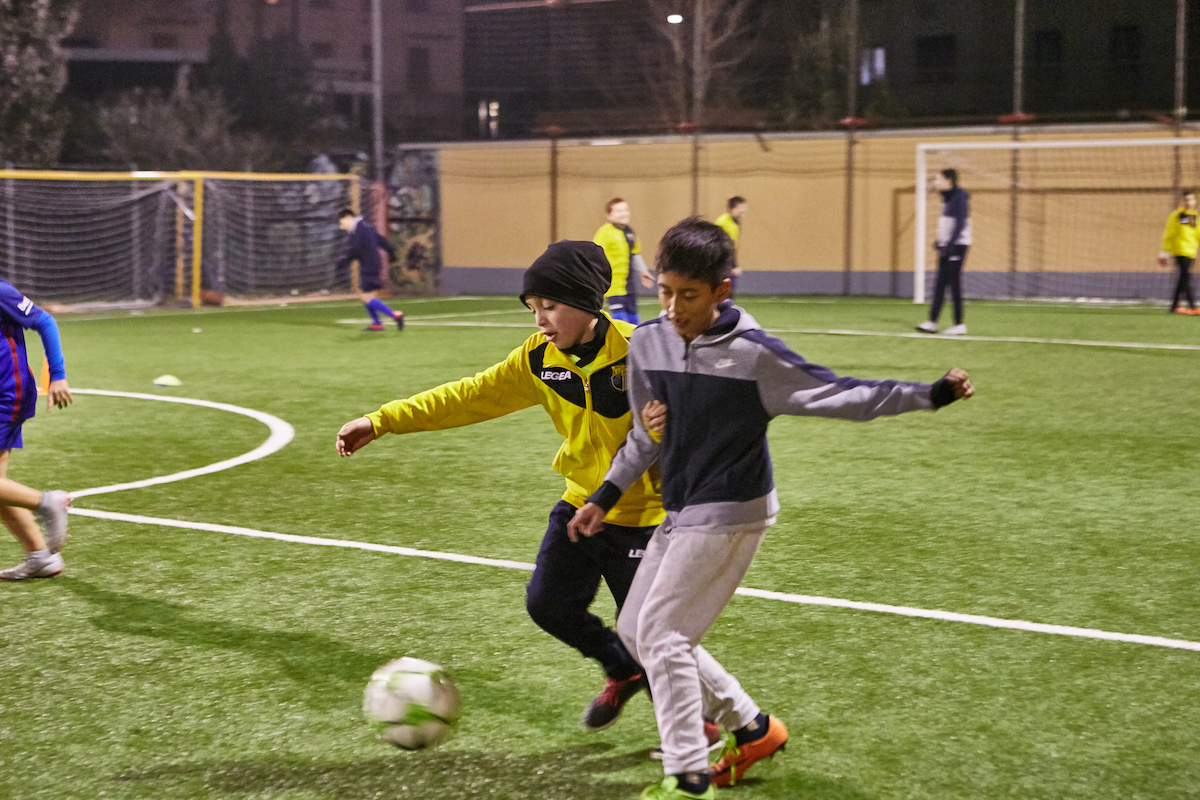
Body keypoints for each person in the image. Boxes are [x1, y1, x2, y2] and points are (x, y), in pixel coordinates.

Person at [569, 218, 974, 800]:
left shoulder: (755, 356)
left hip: (734, 509)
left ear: (721, 291)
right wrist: (603, 498)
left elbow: (841, 393)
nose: (674, 306)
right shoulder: (648, 343)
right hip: (680, 508)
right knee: (636, 631)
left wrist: (929, 394)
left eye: (689, 294)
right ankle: (753, 728)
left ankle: (687, 779)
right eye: (665, 290)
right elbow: (644, 433)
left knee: (662, 634)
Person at [335, 240, 662, 732]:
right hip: (580, 505)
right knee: (547, 604)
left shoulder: (641, 351)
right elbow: (471, 396)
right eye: (533, 308)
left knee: (654, 637)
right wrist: (382, 421)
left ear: (588, 303)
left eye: (550, 307)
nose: (540, 320)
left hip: (645, 521)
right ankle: (622, 669)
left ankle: (694, 732)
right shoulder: (538, 360)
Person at [0, 280, 73, 581]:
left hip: (7, 395)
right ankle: (41, 557)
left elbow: (45, 321)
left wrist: (57, 374)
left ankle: (48, 503)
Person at [917, 169, 970, 335]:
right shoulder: (946, 198)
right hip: (948, 245)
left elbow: (960, 223)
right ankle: (932, 322)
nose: (936, 182)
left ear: (949, 180)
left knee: (954, 284)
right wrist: (941, 243)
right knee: (939, 283)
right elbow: (947, 224)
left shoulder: (960, 197)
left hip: (958, 246)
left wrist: (952, 244)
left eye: (939, 179)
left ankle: (959, 324)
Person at [337, 208, 404, 332]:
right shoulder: (365, 227)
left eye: (342, 223)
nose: (342, 227)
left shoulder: (359, 230)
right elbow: (381, 240)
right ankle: (377, 323)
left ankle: (395, 315)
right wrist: (390, 251)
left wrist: (343, 262)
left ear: (348, 217)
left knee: (365, 297)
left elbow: (355, 250)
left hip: (369, 266)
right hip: (371, 265)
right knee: (367, 296)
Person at [594, 198, 654, 324]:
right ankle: (618, 342)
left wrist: (643, 271)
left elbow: (635, 253)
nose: (624, 213)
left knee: (633, 317)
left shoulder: (630, 232)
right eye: (618, 211)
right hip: (613, 283)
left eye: (625, 210)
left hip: (629, 283)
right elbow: (595, 255)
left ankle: (634, 341)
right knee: (619, 316)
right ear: (609, 215)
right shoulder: (605, 232)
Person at [1158, 189, 1200, 315]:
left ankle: (1176, 307)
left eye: (1191, 199)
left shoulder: (1194, 216)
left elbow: (1197, 233)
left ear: (1195, 201)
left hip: (1191, 251)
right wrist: (1164, 252)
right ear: (1182, 201)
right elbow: (1169, 234)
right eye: (1186, 199)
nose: (1189, 202)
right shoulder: (1177, 215)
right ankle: (1189, 306)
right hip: (1180, 249)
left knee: (1184, 278)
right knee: (1185, 277)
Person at [713, 196, 746, 290]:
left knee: (729, 291)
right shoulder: (723, 221)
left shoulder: (735, 224)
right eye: (740, 207)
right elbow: (720, 245)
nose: (743, 210)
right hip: (722, 264)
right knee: (724, 292)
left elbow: (733, 247)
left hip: (727, 263)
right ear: (732, 208)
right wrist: (731, 267)